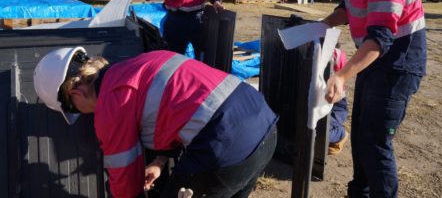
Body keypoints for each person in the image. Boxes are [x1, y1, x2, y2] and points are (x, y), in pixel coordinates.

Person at [33, 47, 278, 198]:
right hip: (264, 127)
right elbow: (182, 107)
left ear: (76, 95)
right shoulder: (141, 63)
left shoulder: (110, 103)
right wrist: (160, 162)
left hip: (227, 148)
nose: (87, 115)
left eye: (78, 111)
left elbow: (125, 187)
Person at [316, 0, 427, 198]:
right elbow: (348, 7)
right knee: (361, 138)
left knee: (375, 141)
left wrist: (341, 75)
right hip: (372, 60)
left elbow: (381, 37)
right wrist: (322, 24)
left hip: (397, 63)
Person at [328, 45, 349, 155]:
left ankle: (341, 134)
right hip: (318, 103)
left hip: (335, 106)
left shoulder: (335, 55)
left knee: (321, 131)